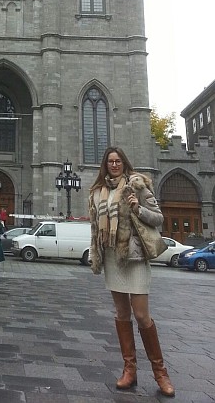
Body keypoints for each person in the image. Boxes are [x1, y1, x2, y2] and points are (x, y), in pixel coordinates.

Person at [89, 147, 175, 397]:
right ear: (105, 165)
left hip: (135, 258)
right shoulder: (97, 193)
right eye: (110, 161)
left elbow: (158, 218)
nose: (114, 165)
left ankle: (161, 373)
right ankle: (130, 370)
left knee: (141, 316)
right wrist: (97, 254)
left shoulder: (137, 186)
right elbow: (96, 228)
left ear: (124, 164)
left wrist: (137, 208)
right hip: (113, 259)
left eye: (118, 161)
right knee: (122, 314)